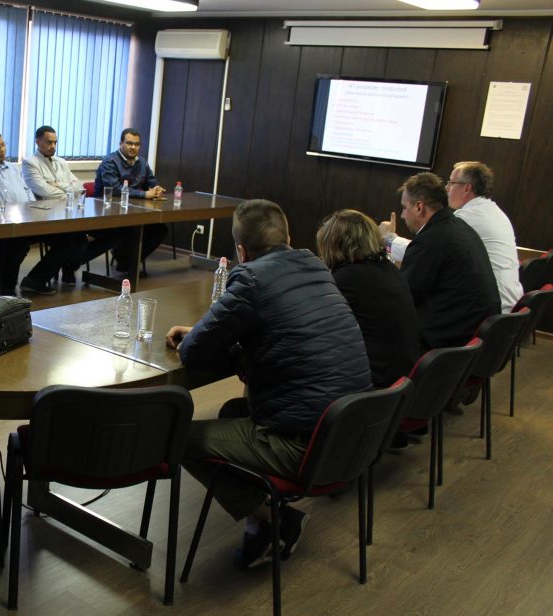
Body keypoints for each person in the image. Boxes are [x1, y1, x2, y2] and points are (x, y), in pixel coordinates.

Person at [165, 199, 371, 569]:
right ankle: (261, 524)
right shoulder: (315, 266)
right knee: (232, 411)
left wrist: (199, 334)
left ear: (241, 252)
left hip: (307, 445)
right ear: (288, 239)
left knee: (177, 435)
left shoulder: (251, 278)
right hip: (353, 432)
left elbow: (192, 353)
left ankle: (276, 518)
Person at [379, 172, 500, 349]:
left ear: (419, 207)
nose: (403, 215)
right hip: (477, 336)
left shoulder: (431, 240)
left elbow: (403, 298)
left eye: (404, 208)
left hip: (448, 341)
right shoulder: (459, 227)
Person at [383, 161, 522, 312]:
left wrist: (388, 239)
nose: (446, 188)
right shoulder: (493, 211)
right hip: (502, 302)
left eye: (451, 183)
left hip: (490, 308)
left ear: (467, 187)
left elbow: (425, 252)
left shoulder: (464, 219)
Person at [316, 209, 420, 389]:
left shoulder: (347, 278)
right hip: (403, 379)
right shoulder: (389, 269)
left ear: (334, 245)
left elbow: (320, 330)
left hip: (375, 386)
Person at [0, 129, 69, 296]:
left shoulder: (13, 167)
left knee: (67, 239)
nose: (2, 150)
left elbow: (27, 191)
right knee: (16, 245)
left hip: (25, 218)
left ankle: (32, 281)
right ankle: (1, 288)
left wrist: (31, 208)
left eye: (3, 145)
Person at [92, 128, 169, 274]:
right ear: (121, 143)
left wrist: (157, 189)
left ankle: (128, 261)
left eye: (137, 144)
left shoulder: (142, 163)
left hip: (131, 209)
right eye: (129, 143)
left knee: (159, 230)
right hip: (107, 211)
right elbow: (114, 189)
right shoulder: (110, 161)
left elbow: (151, 182)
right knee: (129, 228)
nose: (133, 147)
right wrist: (144, 194)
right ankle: (125, 260)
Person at [20, 125, 89, 287]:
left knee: (80, 238)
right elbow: (44, 191)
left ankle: (67, 269)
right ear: (38, 142)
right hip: (43, 216)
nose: (53, 146)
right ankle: (35, 280)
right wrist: (68, 191)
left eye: (55, 142)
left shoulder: (61, 162)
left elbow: (79, 187)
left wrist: (58, 185)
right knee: (69, 241)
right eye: (49, 142)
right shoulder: (30, 163)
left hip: (66, 213)